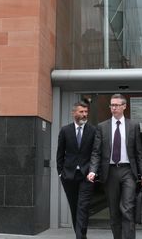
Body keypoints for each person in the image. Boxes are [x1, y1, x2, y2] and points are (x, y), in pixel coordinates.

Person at [87, 94, 142, 239]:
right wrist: (93, 170)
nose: (113, 108)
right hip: (110, 172)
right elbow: (96, 152)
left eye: (116, 105)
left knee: (127, 209)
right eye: (111, 105)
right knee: (114, 212)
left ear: (124, 106)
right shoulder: (102, 127)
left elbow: (139, 152)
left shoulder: (133, 126)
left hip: (128, 171)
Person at [56, 102, 95, 239]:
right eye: (81, 112)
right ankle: (81, 235)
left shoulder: (93, 130)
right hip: (69, 176)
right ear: (74, 113)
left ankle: (80, 236)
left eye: (86, 112)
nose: (84, 114)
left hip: (87, 175)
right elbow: (60, 153)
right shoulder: (65, 130)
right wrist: (60, 173)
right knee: (74, 207)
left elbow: (95, 153)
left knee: (83, 207)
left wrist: (93, 171)